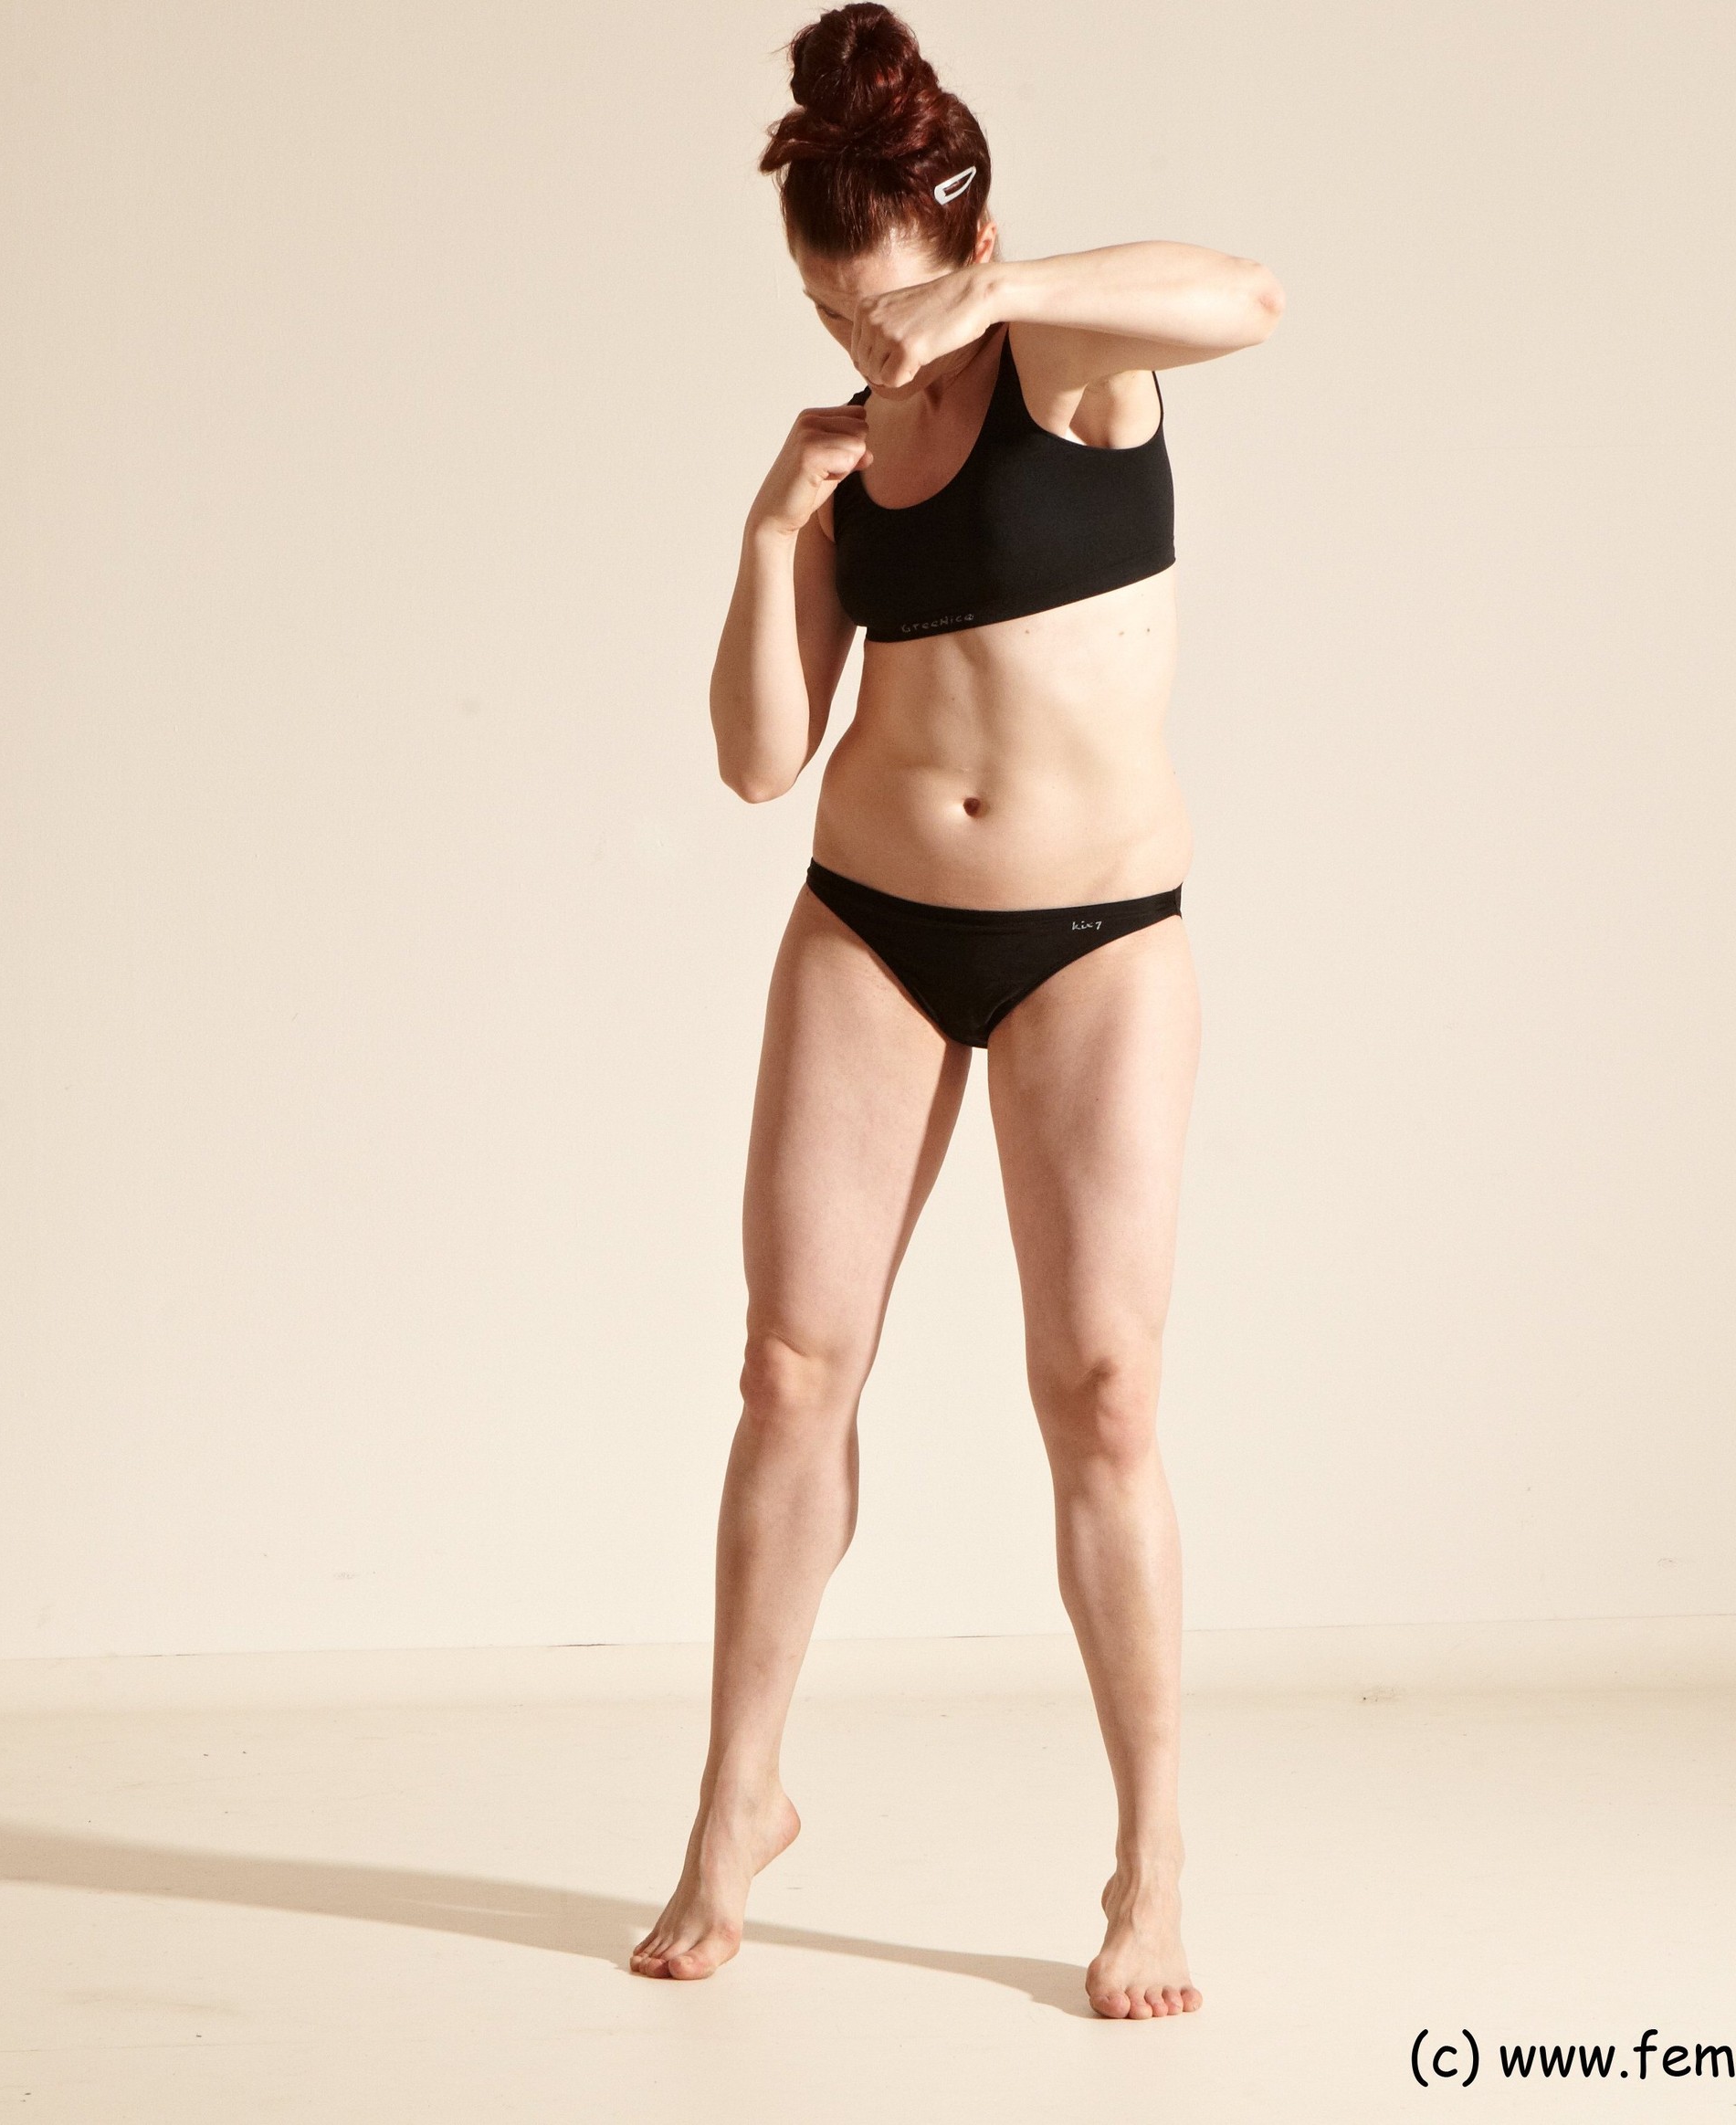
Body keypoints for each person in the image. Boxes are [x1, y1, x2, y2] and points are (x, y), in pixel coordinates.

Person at [630, 1, 1282, 2020]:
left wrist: (993, 297)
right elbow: (759, 759)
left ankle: (1150, 1860)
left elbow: (1250, 297)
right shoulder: (841, 451)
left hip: (1095, 941)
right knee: (789, 1370)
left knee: (1102, 1391)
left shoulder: (1065, 361)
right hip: (871, 928)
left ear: (963, 244)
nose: (867, 346)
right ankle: (734, 1806)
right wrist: (772, 523)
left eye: (888, 304)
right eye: (829, 314)